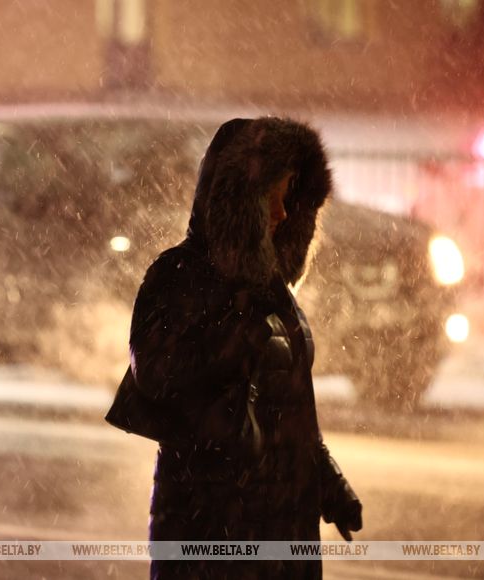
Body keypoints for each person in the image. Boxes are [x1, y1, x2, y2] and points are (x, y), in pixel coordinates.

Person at [106, 117, 362, 579]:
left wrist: (327, 481)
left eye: (289, 196)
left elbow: (291, 407)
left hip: (284, 530)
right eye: (273, 196)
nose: (282, 213)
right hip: (210, 528)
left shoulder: (274, 292)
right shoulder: (178, 275)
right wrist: (236, 336)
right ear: (241, 200)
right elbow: (157, 373)